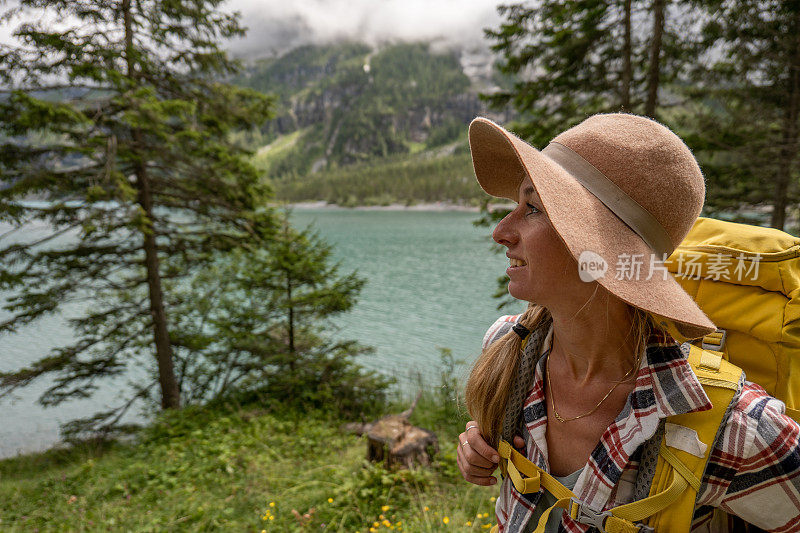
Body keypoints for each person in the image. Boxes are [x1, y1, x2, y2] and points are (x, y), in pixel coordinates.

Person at [456, 114, 800, 532]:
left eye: (532, 208)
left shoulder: (729, 426)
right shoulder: (509, 350)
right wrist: (477, 438)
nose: (501, 231)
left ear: (597, 249)